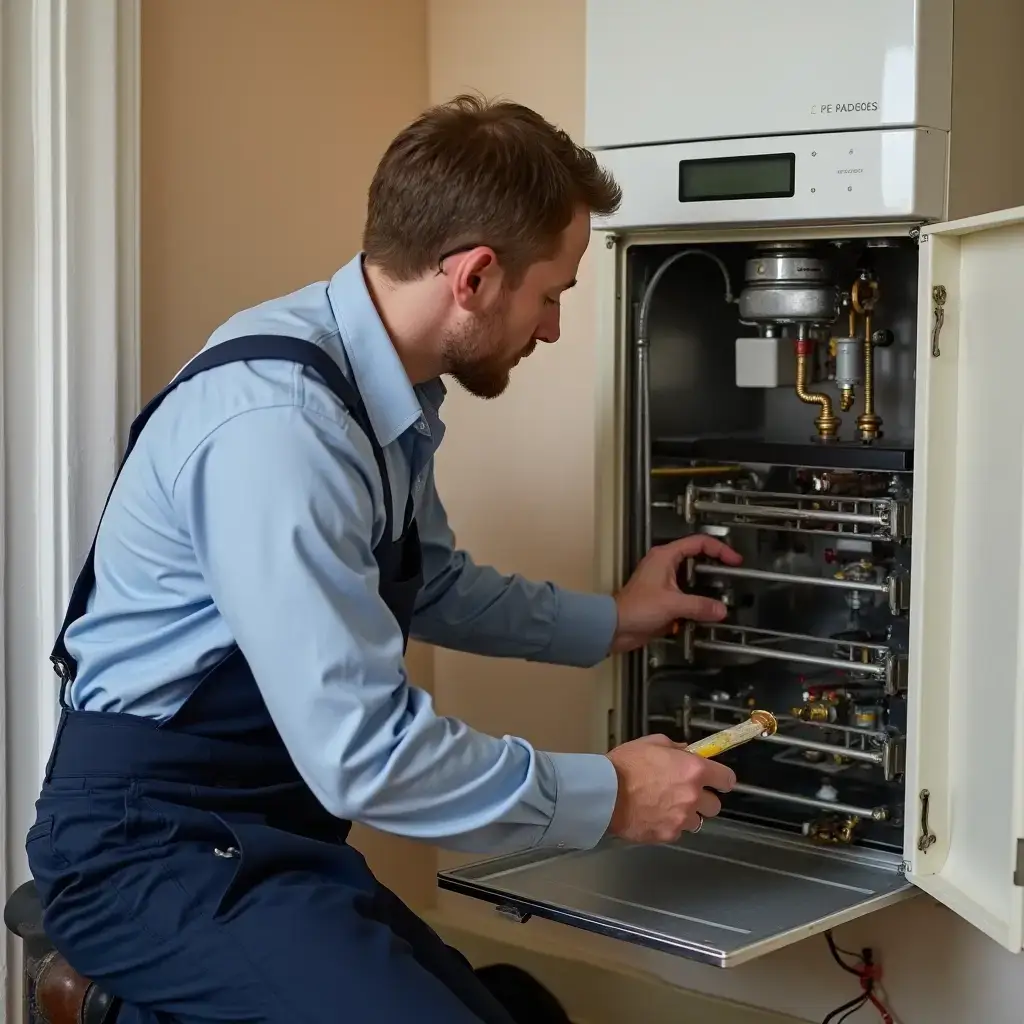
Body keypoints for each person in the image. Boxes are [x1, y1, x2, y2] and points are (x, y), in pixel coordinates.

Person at [26, 94, 740, 1024]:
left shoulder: (379, 392)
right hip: (145, 848)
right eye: (552, 294)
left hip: (270, 831)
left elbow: (428, 581)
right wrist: (608, 796)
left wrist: (613, 621)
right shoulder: (283, 426)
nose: (553, 329)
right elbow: (362, 755)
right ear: (476, 276)